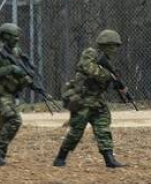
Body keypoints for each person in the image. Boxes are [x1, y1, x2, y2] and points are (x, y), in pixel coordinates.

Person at [53, 29, 127, 168]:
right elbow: (88, 68)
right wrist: (109, 76)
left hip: (97, 101)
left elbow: (104, 79)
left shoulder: (107, 62)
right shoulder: (90, 53)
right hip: (83, 100)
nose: (115, 50)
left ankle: (109, 159)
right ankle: (60, 158)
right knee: (76, 131)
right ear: (105, 44)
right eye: (113, 46)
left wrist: (117, 83)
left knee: (103, 129)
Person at [0, 23, 33, 166]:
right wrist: (11, 68)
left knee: (4, 123)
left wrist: (27, 80)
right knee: (14, 120)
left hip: (10, 92)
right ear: (5, 36)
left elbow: (21, 71)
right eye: (13, 36)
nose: (17, 39)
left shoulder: (16, 51)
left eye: (17, 36)